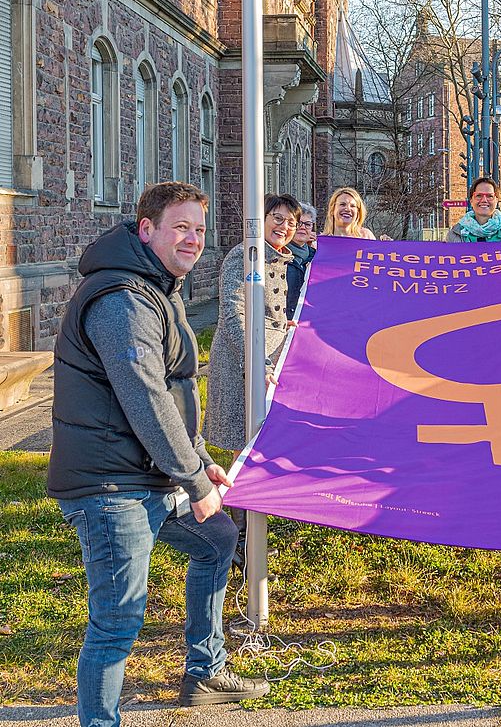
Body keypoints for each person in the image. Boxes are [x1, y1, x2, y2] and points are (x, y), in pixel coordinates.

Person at [47, 182, 269, 726]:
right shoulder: (122, 297)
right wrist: (193, 482)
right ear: (147, 230)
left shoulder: (157, 286)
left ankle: (204, 672)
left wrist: (197, 456)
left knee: (217, 539)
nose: (193, 238)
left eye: (199, 228)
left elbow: (169, 391)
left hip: (143, 474)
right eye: (181, 227)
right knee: (118, 619)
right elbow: (143, 394)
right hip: (109, 486)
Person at [203, 194, 298, 565]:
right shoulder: (246, 255)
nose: (285, 227)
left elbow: (268, 310)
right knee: (242, 453)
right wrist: (254, 362)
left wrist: (282, 325)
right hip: (243, 365)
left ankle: (251, 532)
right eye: (277, 218)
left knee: (257, 449)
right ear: (260, 219)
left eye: (291, 222)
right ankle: (238, 540)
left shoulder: (277, 257)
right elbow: (233, 312)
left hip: (267, 362)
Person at [446, 177, 501, 242]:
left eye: (490, 196)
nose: (484, 200)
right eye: (479, 196)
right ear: (471, 200)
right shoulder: (454, 234)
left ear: (496, 200)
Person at [286, 202, 318, 320]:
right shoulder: (279, 256)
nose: (303, 227)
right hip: (284, 324)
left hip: (309, 323)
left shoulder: (318, 257)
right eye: (299, 223)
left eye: (308, 224)